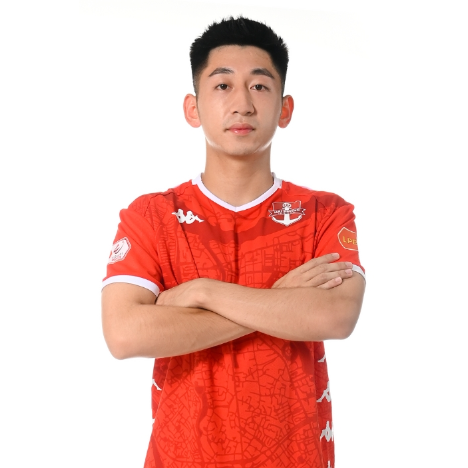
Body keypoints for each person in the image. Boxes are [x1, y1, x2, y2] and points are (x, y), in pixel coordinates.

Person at [101, 16, 365, 468]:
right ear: (192, 108)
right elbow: (125, 334)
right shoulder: (152, 216)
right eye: (222, 86)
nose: (242, 104)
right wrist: (280, 301)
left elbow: (335, 315)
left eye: (259, 86)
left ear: (285, 109)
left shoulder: (324, 213)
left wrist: (202, 293)